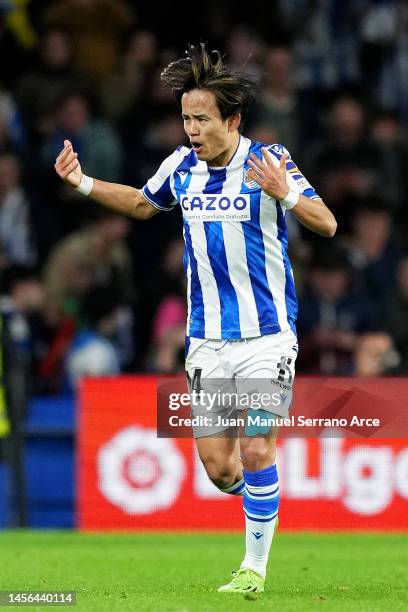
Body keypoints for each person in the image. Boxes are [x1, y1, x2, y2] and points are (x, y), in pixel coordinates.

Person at [54, 43, 336, 594]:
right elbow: (141, 204)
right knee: (221, 469)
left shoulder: (270, 161)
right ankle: (264, 494)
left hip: (268, 337)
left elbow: (325, 223)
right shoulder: (180, 166)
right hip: (206, 340)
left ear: (231, 120)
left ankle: (253, 569)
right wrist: (83, 183)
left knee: (256, 448)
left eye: (201, 119)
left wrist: (286, 195)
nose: (191, 129)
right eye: (185, 118)